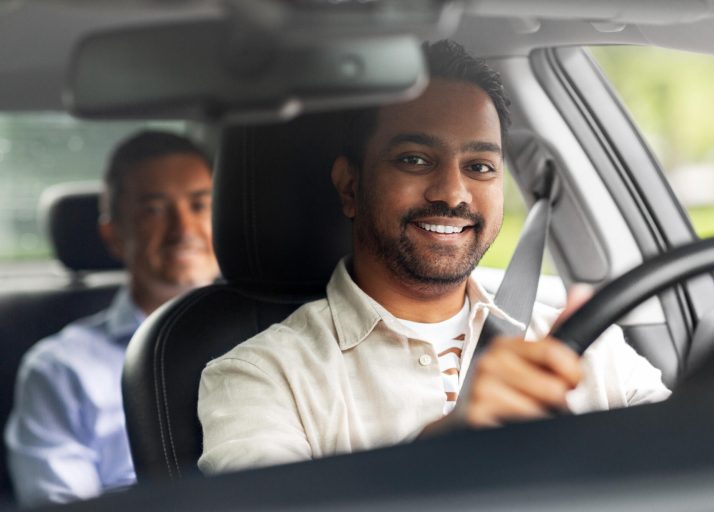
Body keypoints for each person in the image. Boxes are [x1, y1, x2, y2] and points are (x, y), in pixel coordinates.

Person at [197, 40, 670, 474]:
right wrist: (443, 448)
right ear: (350, 186)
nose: (452, 193)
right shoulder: (261, 375)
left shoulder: (581, 344)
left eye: (480, 166)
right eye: (415, 159)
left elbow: (687, 457)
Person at [5, 130, 220, 506]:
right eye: (154, 210)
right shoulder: (60, 369)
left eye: (200, 206)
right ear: (113, 234)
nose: (184, 229)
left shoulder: (279, 337)